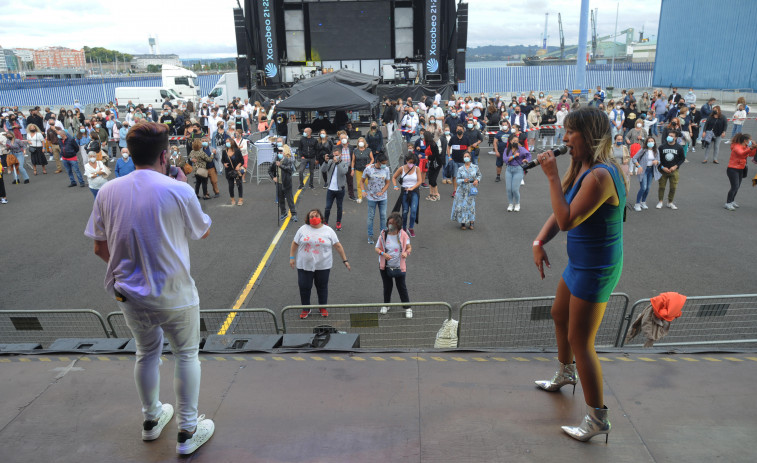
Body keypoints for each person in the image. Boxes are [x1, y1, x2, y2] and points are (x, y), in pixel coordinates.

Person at [84, 122, 214, 456]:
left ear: (128, 151)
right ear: (164, 154)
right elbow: (202, 233)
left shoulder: (108, 191)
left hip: (128, 294)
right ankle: (187, 431)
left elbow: (100, 248)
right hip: (175, 292)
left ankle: (151, 419)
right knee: (186, 354)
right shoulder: (178, 189)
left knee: (146, 353)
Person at [532, 106, 626, 443]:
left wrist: (552, 177)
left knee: (581, 340)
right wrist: (539, 239)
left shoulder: (600, 175)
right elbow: (560, 213)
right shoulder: (582, 167)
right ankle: (565, 373)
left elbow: (568, 218)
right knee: (559, 315)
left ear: (590, 136)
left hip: (597, 268)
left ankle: (598, 417)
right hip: (579, 262)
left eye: (571, 131)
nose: (564, 138)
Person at [290, 209, 350, 319]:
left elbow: (338, 246)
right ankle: (306, 309)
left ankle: (322, 307)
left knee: (322, 287)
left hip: (323, 265)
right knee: (304, 287)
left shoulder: (328, 231)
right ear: (308, 219)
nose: (314, 218)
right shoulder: (302, 229)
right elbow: (295, 243)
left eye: (316, 215)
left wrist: (345, 260)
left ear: (321, 217)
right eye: (311, 216)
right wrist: (292, 257)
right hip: (304, 265)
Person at [375, 212, 413, 318]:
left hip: (399, 266)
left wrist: (406, 252)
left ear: (398, 225)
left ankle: (407, 308)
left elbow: (409, 247)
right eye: (389, 222)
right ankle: (386, 305)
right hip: (385, 265)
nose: (389, 225)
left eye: (392, 223)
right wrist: (383, 254)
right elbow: (377, 248)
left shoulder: (403, 234)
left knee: (401, 286)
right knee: (387, 286)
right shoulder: (384, 234)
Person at [362, 153, 391, 244]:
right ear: (378, 162)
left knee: (383, 216)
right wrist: (363, 191)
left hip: (383, 197)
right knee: (371, 217)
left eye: (385, 163)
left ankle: (383, 236)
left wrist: (382, 191)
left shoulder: (386, 169)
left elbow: (387, 183)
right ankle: (370, 236)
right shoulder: (368, 169)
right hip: (371, 197)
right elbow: (361, 181)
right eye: (383, 163)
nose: (384, 165)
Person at [450, 148, 481, 229]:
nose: (466, 157)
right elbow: (457, 180)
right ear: (463, 158)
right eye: (465, 156)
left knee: (471, 205)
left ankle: (471, 222)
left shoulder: (475, 167)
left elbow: (479, 175)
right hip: (462, 190)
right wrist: (463, 180)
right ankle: (463, 222)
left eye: (467, 156)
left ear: (470, 158)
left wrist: (477, 180)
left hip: (471, 189)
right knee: (462, 205)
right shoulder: (460, 169)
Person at [392, 154, 422, 237]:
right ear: (406, 161)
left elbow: (420, 181)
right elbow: (394, 177)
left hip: (414, 192)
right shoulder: (401, 168)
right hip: (404, 192)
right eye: (410, 162)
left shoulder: (417, 169)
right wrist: (395, 186)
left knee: (413, 211)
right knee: (405, 212)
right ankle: (404, 228)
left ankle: (411, 228)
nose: (411, 164)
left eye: (413, 163)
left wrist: (412, 188)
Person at [724, 133, 756, 211]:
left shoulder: (746, 147)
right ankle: (728, 203)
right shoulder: (736, 146)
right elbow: (741, 153)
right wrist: (751, 148)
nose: (751, 141)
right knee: (734, 186)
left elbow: (751, 154)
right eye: (750, 140)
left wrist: (755, 147)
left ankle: (732, 201)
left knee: (737, 186)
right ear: (745, 140)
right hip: (732, 169)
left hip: (741, 168)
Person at [656, 131, 686, 209]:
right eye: (669, 135)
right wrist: (662, 167)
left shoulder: (679, 147)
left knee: (673, 187)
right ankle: (660, 202)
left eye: (671, 136)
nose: (669, 137)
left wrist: (676, 166)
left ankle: (670, 202)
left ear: (675, 138)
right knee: (661, 187)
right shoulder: (662, 147)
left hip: (674, 171)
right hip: (663, 170)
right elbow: (657, 159)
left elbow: (682, 158)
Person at [503, 134, 531, 212]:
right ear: (510, 141)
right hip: (509, 170)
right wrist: (514, 156)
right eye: (514, 141)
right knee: (508, 189)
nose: (515, 142)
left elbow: (528, 155)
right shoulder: (507, 150)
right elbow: (505, 159)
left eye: (517, 141)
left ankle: (517, 204)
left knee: (515, 189)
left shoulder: (521, 149)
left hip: (518, 170)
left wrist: (526, 160)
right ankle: (510, 204)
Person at [632, 136, 661, 211]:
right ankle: (637, 204)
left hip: (651, 171)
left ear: (654, 142)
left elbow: (659, 161)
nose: (650, 143)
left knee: (648, 188)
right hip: (643, 170)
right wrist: (639, 166)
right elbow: (634, 158)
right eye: (649, 141)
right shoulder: (643, 150)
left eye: (652, 141)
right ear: (646, 143)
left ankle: (643, 202)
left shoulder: (656, 151)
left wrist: (657, 162)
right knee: (643, 187)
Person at [270, 141, 296, 220]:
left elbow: (289, 169)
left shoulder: (288, 161)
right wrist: (273, 177)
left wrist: (280, 165)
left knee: (289, 199)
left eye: (281, 152)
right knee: (281, 200)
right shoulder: (275, 160)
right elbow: (269, 170)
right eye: (278, 152)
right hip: (279, 183)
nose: (279, 153)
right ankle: (283, 213)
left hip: (287, 183)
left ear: (284, 153)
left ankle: (294, 214)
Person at [323, 148, 349, 230]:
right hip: (330, 189)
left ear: (340, 155)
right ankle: (325, 222)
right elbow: (323, 170)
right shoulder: (331, 162)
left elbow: (343, 172)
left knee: (339, 207)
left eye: (337, 155)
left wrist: (337, 163)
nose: (335, 157)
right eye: (334, 155)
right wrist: (326, 161)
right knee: (327, 207)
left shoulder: (344, 163)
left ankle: (338, 222)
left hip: (340, 190)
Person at [222, 138, 244, 206]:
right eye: (226, 142)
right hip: (229, 171)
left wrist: (238, 165)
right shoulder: (224, 151)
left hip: (237, 171)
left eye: (228, 141)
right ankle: (232, 199)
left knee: (239, 184)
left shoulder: (237, 151)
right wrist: (224, 164)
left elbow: (242, 160)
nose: (227, 143)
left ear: (232, 142)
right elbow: (222, 160)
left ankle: (240, 199)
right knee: (231, 185)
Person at [352, 137, 373, 203]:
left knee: (368, 183)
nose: (360, 142)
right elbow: (353, 161)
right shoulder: (355, 151)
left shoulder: (368, 150)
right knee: (359, 183)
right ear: (358, 143)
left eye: (362, 141)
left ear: (364, 142)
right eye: (359, 141)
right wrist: (352, 169)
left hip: (366, 170)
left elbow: (372, 159)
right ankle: (360, 197)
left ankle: (371, 196)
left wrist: (369, 164)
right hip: (358, 169)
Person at [424, 131, 443, 201]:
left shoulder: (433, 145)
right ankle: (431, 193)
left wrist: (427, 157)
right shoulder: (428, 144)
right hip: (431, 164)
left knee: (433, 179)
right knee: (429, 178)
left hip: (436, 164)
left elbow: (435, 155)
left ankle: (437, 194)